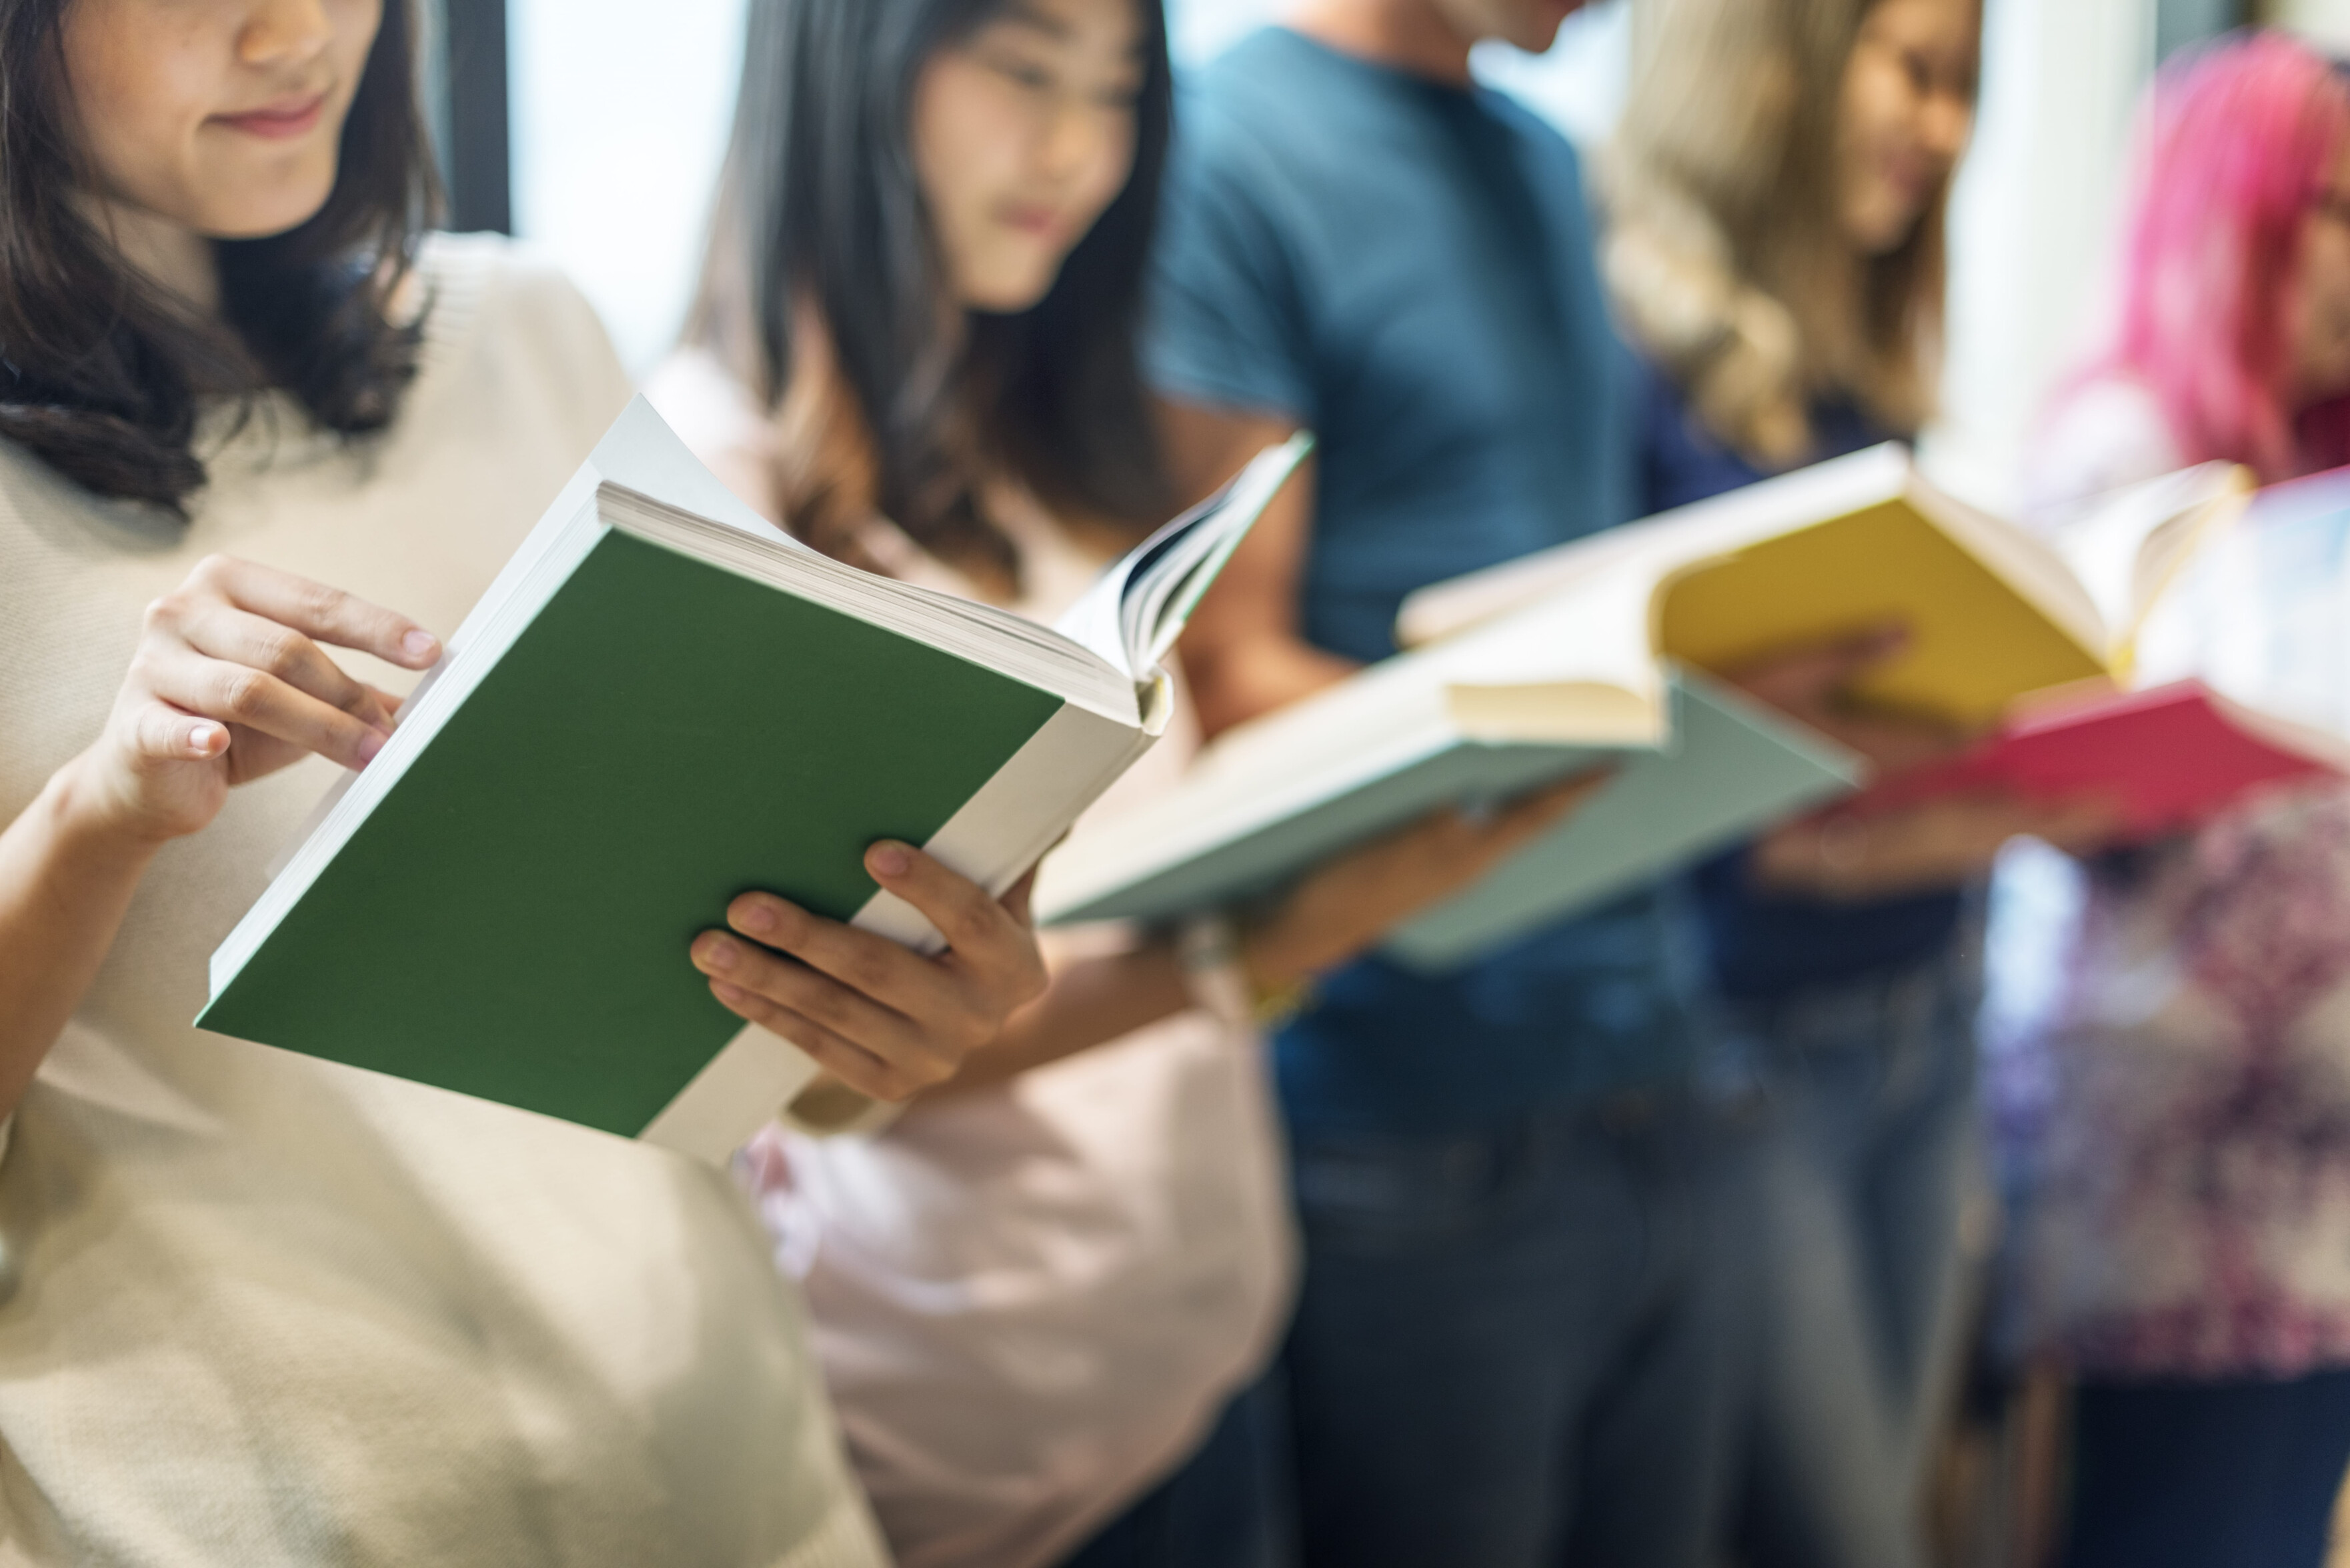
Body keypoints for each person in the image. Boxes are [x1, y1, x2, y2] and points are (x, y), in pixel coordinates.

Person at [0, 0, 1069, 1559]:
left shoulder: (524, 331)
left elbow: (744, 1049)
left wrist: (893, 1009)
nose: (297, 34)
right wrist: (96, 817)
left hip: (746, 1487)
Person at [649, 1, 1595, 1565]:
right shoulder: (718, 476)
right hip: (949, 1425)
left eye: (1115, 93)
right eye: (1026, 73)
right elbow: (812, 1052)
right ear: (850, 66)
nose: (1078, 154)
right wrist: (1257, 952)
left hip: (1196, 1353)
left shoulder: (1049, 425)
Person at [1144, 0, 1748, 1561]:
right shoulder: (1222, 156)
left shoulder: (1545, 159)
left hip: (1652, 1053)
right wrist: (1581, 741)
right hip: (1405, 1111)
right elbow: (1226, 673)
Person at [1600, 5, 2111, 1565]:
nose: (1940, 129)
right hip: (1750, 1044)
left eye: (1962, 89)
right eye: (1909, 71)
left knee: (1897, 1499)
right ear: (1769, 63)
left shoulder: (1856, 374)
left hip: (1924, 1011)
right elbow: (1652, 787)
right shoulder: (1632, 355)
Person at [1998, 31, 2350, 1568]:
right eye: (2330, 211)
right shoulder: (2121, 461)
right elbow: (2047, 784)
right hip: (2170, 1181)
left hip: (2313, 1196)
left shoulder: (2313, 474)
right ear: (2232, 214)